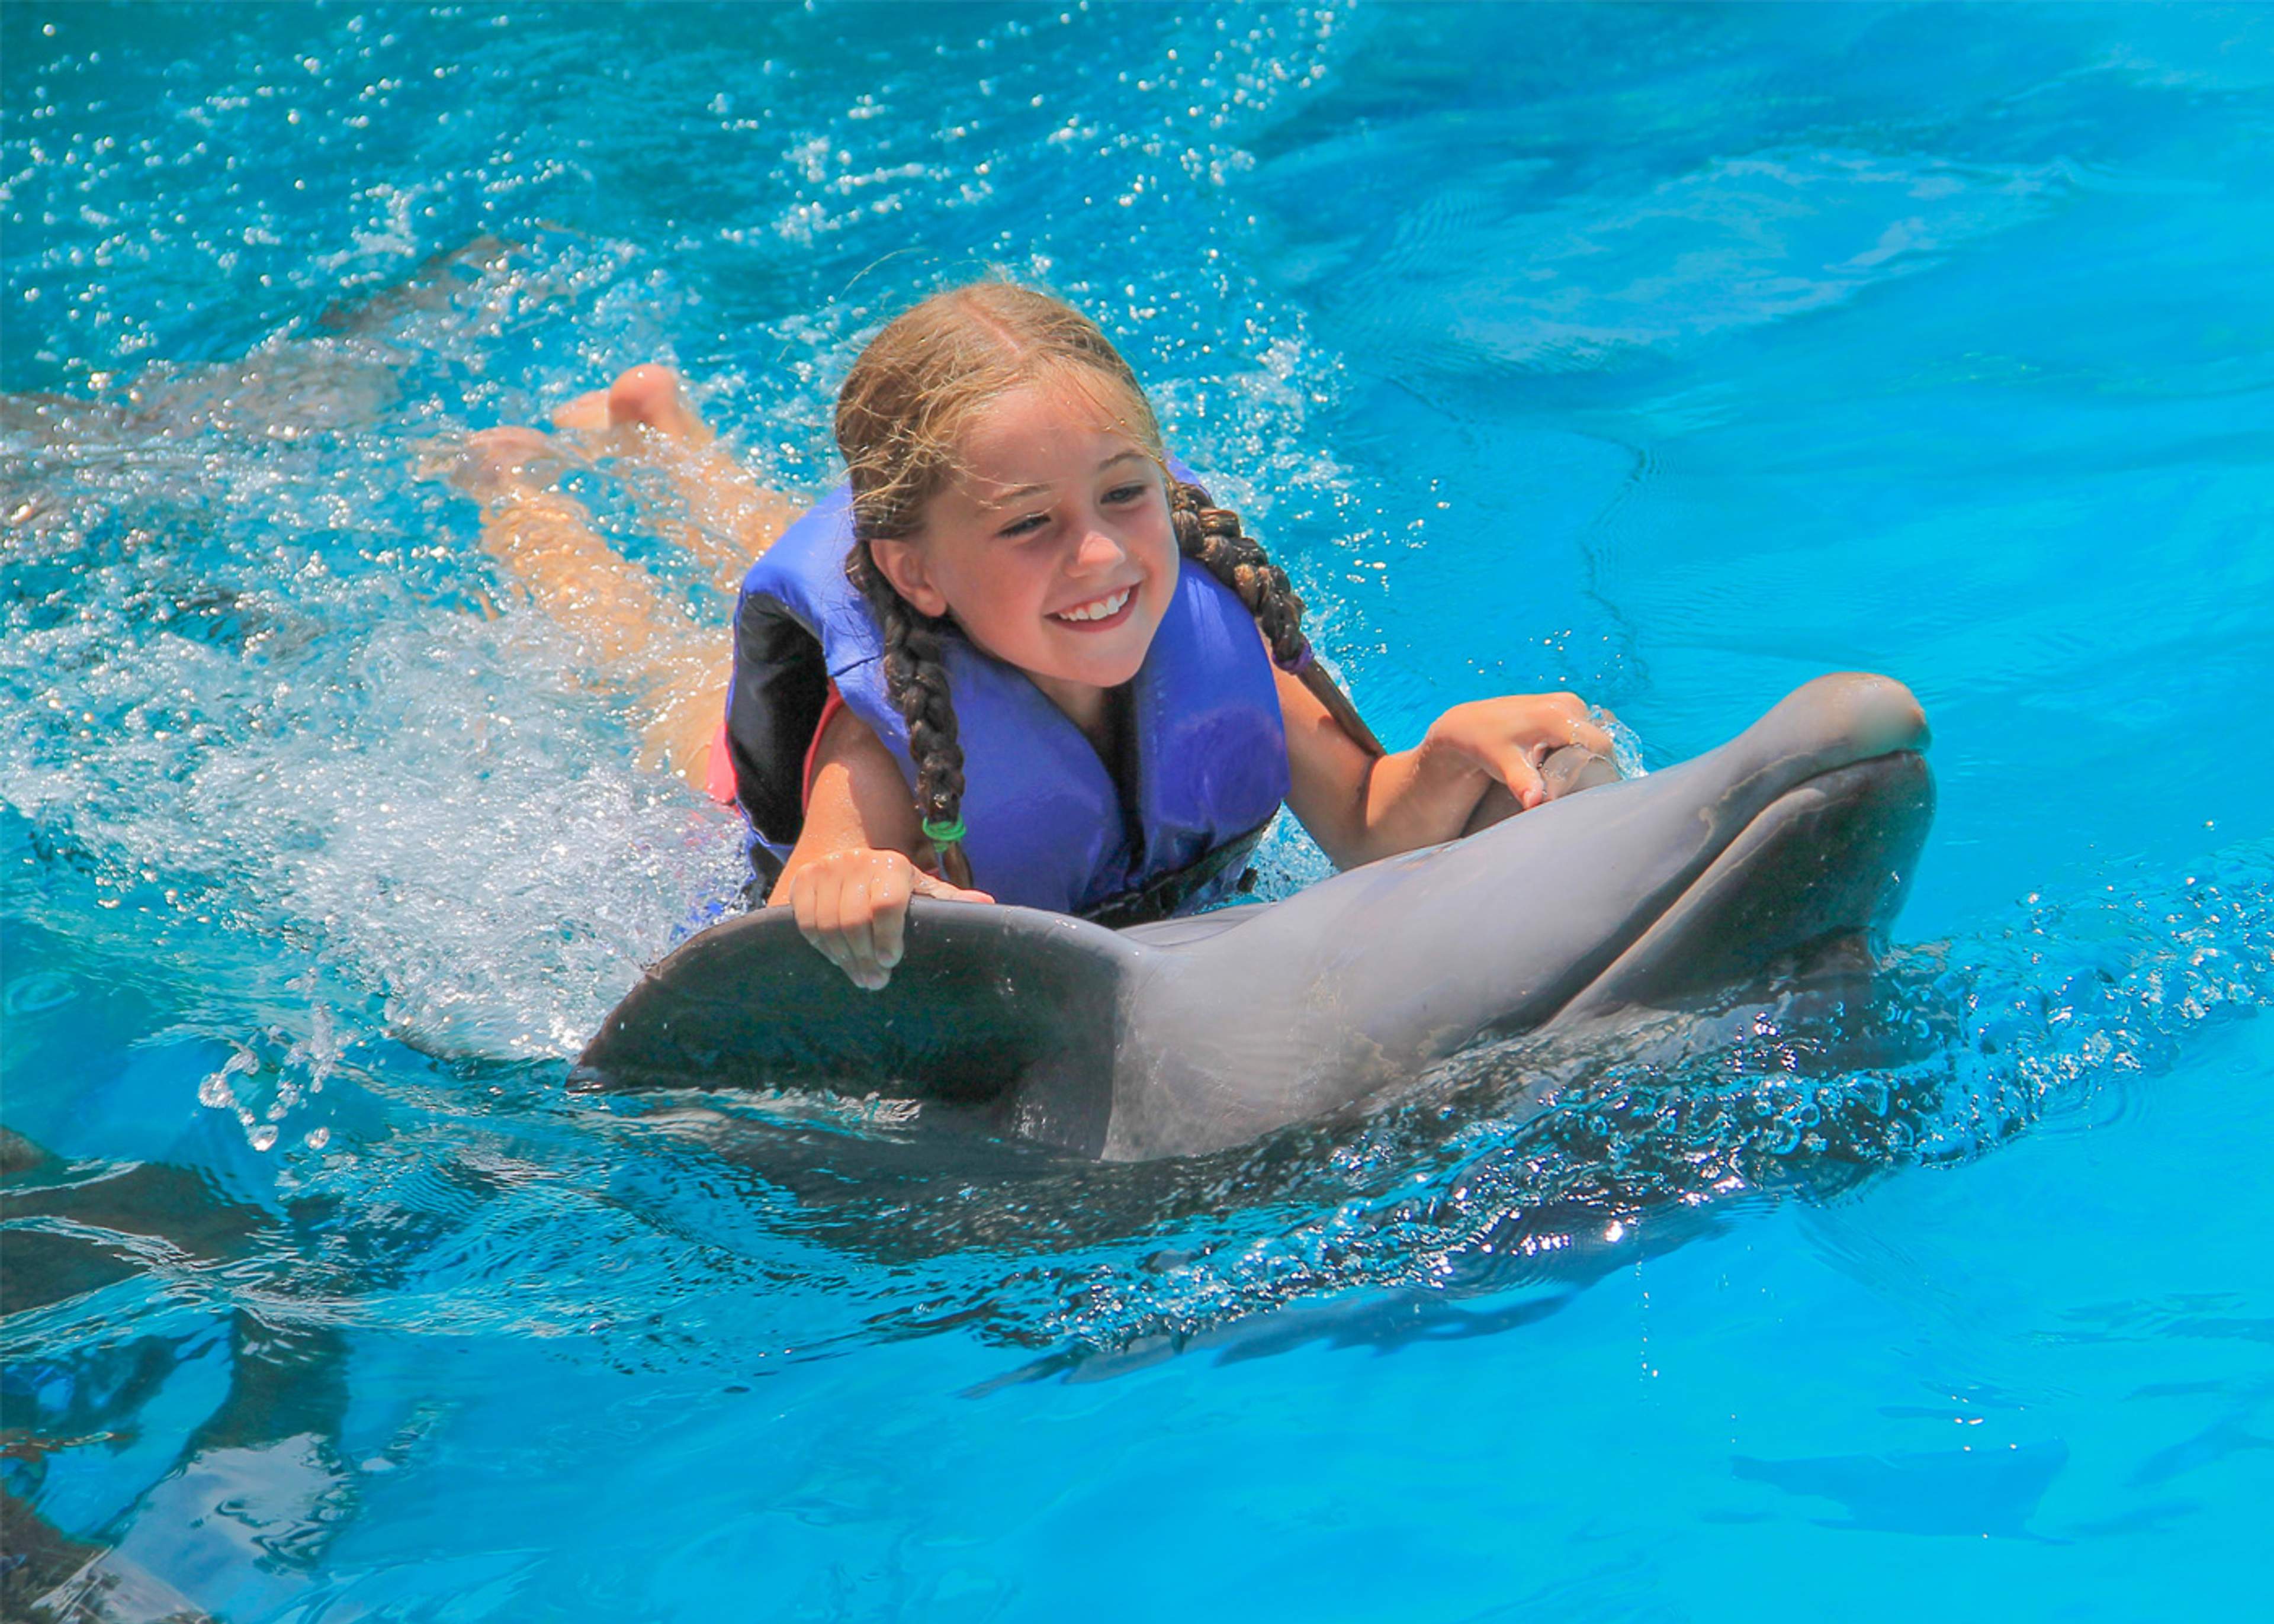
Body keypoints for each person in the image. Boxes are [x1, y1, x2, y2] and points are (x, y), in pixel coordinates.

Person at [449, 282, 1613, 991]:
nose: (1102, 555)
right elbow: (821, 881)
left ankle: (666, 430)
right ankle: (512, 488)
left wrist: (1455, 754)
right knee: (645, 649)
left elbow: (1368, 822)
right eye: (1033, 526)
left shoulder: (1219, 627)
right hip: (787, 715)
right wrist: (849, 877)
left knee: (810, 545)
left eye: (1124, 495)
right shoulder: (893, 723)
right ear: (920, 573)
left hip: (914, 572)